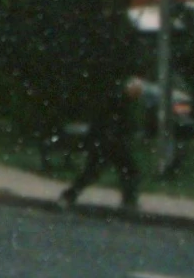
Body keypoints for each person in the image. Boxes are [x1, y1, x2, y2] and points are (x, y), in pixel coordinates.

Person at [61, 73, 143, 212]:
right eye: (136, 93)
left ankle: (69, 196)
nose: (137, 97)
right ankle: (129, 201)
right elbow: (114, 122)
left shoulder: (117, 99)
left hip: (105, 142)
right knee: (128, 171)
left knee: (93, 172)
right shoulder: (119, 102)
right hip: (110, 143)